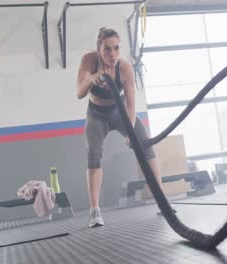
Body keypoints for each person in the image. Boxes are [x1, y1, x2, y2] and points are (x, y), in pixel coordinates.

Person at [77, 27, 167, 228]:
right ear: (99, 49)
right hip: (96, 114)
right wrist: (93, 78)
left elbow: (131, 103)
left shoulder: (124, 68)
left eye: (116, 48)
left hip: (119, 112)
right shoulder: (89, 61)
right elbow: (79, 92)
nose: (112, 54)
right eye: (107, 49)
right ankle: (94, 212)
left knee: (145, 144)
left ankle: (162, 201)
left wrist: (130, 130)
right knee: (93, 152)